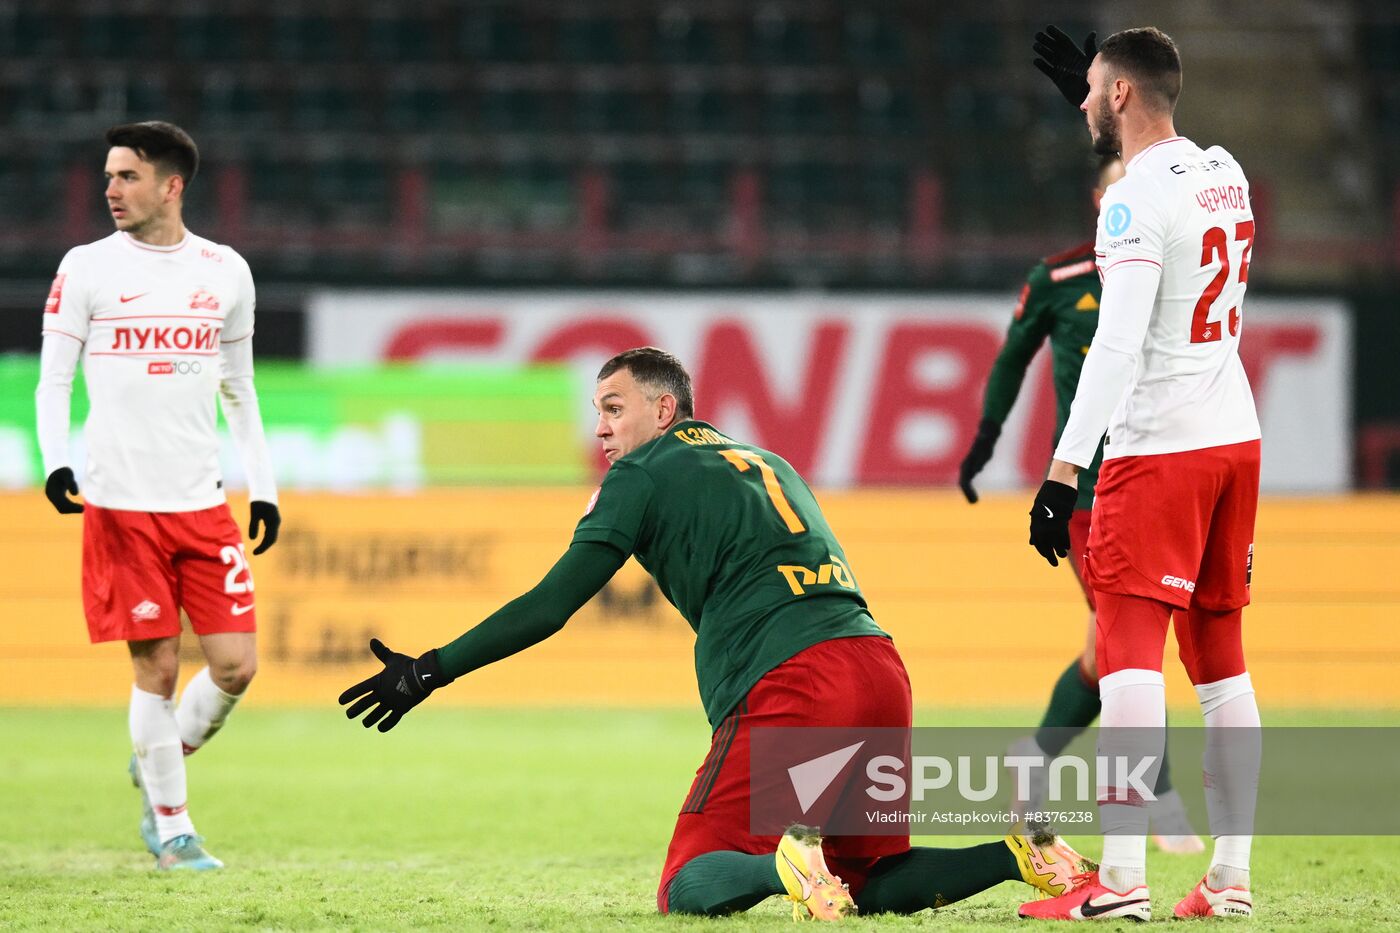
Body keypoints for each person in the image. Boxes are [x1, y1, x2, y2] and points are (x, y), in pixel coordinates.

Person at [340, 347, 1091, 919]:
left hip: (793, 680)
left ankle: (783, 864)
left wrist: (428, 670)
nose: (600, 427)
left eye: (614, 408)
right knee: (865, 877)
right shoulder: (767, 459)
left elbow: (550, 604)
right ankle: (1016, 850)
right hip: (875, 663)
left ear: (665, 410)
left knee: (685, 884)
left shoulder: (642, 474)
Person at [1022, 27, 1261, 920]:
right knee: (1222, 666)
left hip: (1155, 446)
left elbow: (1117, 345)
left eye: (1092, 90)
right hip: (1234, 439)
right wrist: (1108, 106)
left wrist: (1060, 473)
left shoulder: (1126, 206)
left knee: (1127, 656)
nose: (1082, 100)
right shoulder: (1224, 169)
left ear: (1119, 94)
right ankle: (1229, 877)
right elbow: (1168, 172)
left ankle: (1119, 880)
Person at [34, 121, 281, 871]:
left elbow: (240, 387)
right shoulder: (86, 267)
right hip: (119, 504)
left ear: (172, 185)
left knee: (238, 665)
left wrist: (262, 488)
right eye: (109, 176)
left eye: (128, 176)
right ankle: (174, 829)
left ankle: (158, 758)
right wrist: (55, 461)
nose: (110, 189)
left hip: (200, 503)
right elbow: (54, 379)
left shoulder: (226, 271)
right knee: (158, 668)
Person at [958, 154, 1203, 855]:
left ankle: (1035, 756)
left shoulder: (1173, 274)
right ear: (1100, 202)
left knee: (1107, 648)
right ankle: (1153, 787)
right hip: (1091, 492)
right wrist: (985, 437)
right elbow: (1011, 358)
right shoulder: (1059, 278)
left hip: (1161, 479)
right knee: (1126, 637)